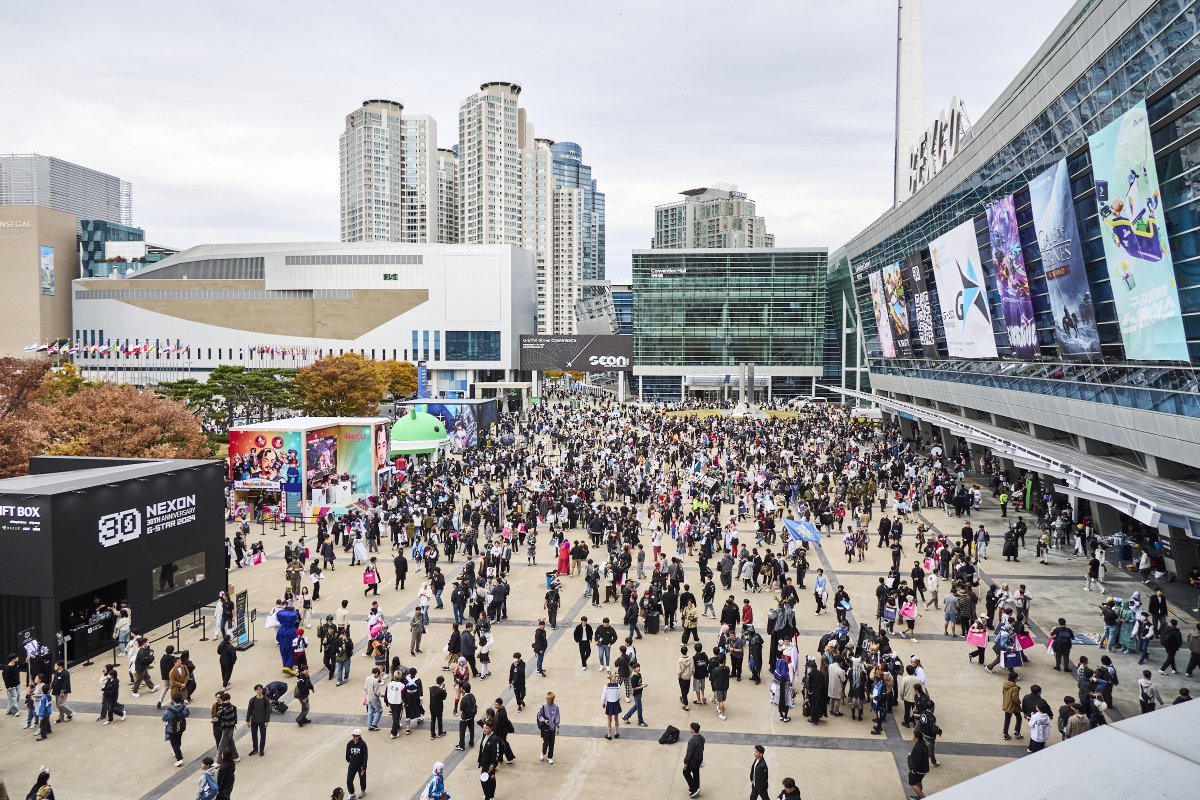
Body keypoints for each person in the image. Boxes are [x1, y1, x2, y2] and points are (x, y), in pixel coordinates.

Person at [162, 692, 190, 766]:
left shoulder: (169, 710)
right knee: (178, 740)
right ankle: (176, 751)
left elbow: (164, 719)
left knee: (174, 743)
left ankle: (179, 758)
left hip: (171, 728)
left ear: (173, 700)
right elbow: (187, 714)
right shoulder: (184, 708)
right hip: (180, 727)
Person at [478, 719, 501, 800]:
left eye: (486, 728)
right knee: (490, 779)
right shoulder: (485, 735)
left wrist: (493, 764)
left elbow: (496, 753)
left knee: (485, 780)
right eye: (484, 728)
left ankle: (488, 796)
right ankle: (490, 796)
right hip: (484, 761)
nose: (484, 729)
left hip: (489, 764)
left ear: (491, 729)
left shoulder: (494, 739)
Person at [246, 683, 272, 756]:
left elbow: (268, 712)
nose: (259, 691)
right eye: (257, 690)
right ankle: (255, 749)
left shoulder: (266, 700)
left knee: (263, 736)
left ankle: (261, 750)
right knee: (254, 735)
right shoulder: (252, 700)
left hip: (262, 721)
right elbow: (249, 710)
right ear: (255, 691)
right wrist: (248, 720)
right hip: (254, 720)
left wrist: (266, 721)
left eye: (260, 689)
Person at [683, 722, 705, 798]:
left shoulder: (692, 741)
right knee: (696, 774)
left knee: (685, 772)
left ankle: (694, 789)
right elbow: (702, 749)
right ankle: (696, 788)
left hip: (692, 761)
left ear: (693, 730)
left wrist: (685, 762)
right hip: (699, 760)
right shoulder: (702, 738)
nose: (689, 729)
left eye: (690, 728)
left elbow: (689, 754)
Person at [537, 691, 560, 764]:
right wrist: (544, 720)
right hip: (546, 728)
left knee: (552, 743)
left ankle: (550, 757)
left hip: (552, 728)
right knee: (546, 742)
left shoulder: (556, 707)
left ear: (552, 699)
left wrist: (557, 727)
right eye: (547, 699)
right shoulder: (543, 706)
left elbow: (557, 717)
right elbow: (539, 716)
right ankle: (543, 752)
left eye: (549, 699)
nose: (548, 700)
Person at [345, 729, 368, 800]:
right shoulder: (350, 743)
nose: (354, 737)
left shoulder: (363, 744)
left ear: (359, 736)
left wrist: (364, 767)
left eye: (355, 736)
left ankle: (363, 790)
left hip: (360, 766)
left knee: (362, 779)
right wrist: (349, 760)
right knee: (349, 779)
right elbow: (347, 753)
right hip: (352, 765)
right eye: (353, 736)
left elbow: (365, 756)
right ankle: (352, 794)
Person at [908, 731, 930, 799]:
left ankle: (922, 797)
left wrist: (913, 770)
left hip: (919, 770)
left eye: (914, 736)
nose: (913, 737)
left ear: (917, 739)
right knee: (918, 782)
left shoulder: (918, 747)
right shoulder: (923, 744)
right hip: (924, 769)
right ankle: (919, 797)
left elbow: (918, 761)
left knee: (912, 783)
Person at [601, 672, 622, 739]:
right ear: (610, 678)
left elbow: (604, 696)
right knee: (611, 720)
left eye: (615, 677)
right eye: (613, 677)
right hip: (614, 703)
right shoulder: (617, 686)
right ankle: (613, 734)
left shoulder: (607, 686)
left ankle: (612, 734)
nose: (615, 678)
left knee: (613, 719)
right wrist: (604, 702)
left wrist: (603, 703)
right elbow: (619, 696)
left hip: (611, 703)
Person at [1001, 672, 1022, 740]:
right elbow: (1015, 699)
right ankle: (1017, 732)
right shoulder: (1015, 688)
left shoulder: (1005, 684)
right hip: (1013, 706)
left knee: (1007, 719)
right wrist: (1019, 702)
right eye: (1017, 678)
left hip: (1006, 704)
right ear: (1014, 678)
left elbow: (1003, 693)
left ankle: (1005, 734)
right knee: (1019, 718)